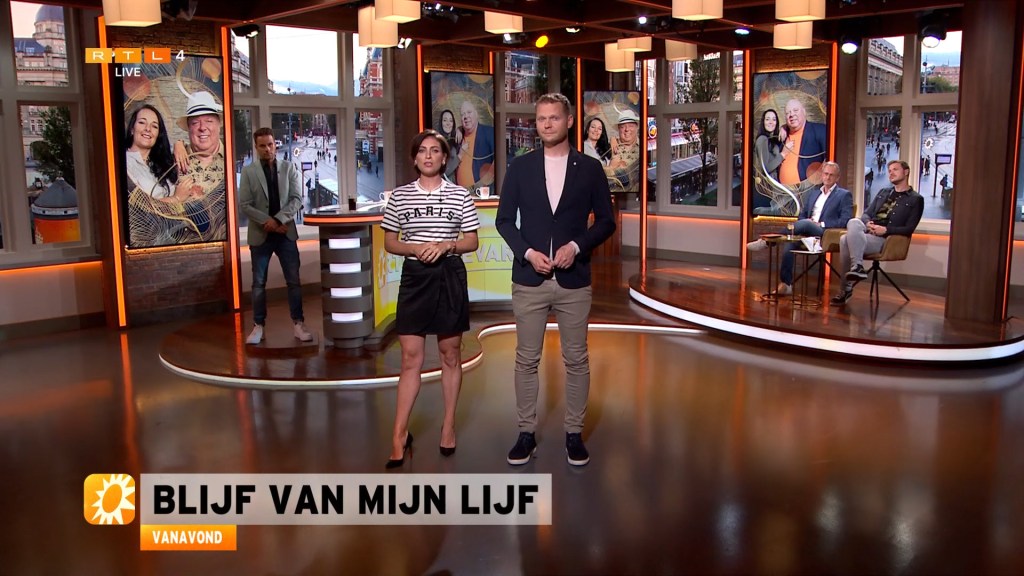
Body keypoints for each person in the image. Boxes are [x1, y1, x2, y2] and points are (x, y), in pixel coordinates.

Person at [495, 93, 616, 467]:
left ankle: (574, 434)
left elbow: (607, 222)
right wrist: (528, 253)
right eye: (541, 118)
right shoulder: (520, 167)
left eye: (554, 117)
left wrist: (577, 247)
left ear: (569, 120)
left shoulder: (590, 168)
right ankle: (526, 433)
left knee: (576, 359)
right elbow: (504, 221)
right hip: (529, 278)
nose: (546, 124)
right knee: (525, 359)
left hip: (573, 280)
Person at [380, 129, 480, 469]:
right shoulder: (400, 196)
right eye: (422, 150)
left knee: (450, 354)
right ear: (414, 158)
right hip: (415, 277)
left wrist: (447, 245)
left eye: (435, 150)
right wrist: (415, 248)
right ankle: (399, 435)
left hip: (449, 274)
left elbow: (472, 241)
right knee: (411, 357)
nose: (428, 156)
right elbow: (390, 242)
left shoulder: (460, 195)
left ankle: (448, 425)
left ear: (444, 158)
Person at [239, 127, 314, 345]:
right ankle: (258, 326)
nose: (267, 149)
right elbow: (245, 205)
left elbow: (297, 199)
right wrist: (270, 224)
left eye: (270, 144)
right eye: (262, 146)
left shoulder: (289, 168)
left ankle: (298, 324)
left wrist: (279, 220)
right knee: (258, 283)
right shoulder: (249, 172)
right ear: (256, 147)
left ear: (275, 144)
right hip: (261, 235)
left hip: (285, 233)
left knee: (294, 281)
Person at [748, 161, 852, 294]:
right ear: (822, 175)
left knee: (805, 224)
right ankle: (786, 285)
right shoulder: (814, 193)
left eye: (831, 175)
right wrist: (805, 221)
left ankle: (768, 241)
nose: (828, 177)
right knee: (789, 244)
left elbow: (845, 220)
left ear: (837, 177)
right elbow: (802, 215)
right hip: (806, 231)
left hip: (825, 233)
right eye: (826, 174)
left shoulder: (844, 195)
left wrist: (821, 224)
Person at [831, 160, 924, 305]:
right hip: (868, 233)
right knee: (854, 222)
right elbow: (866, 214)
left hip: (885, 240)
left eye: (895, 170)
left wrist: (886, 230)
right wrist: (868, 223)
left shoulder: (915, 199)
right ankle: (857, 267)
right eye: (889, 170)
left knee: (844, 240)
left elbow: (909, 228)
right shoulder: (883, 192)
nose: (891, 173)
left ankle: (846, 288)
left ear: (906, 172)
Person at [124, 104, 177, 199]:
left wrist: (180, 144)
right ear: (132, 129)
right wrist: (176, 198)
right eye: (142, 122)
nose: (148, 129)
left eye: (154, 126)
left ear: (158, 135)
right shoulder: (124, 162)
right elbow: (141, 202)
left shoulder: (160, 162)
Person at [779, 98, 827, 185]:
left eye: (795, 110)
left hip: (809, 190)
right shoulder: (782, 136)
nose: (791, 114)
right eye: (788, 113)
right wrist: (782, 127)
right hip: (782, 190)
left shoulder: (820, 131)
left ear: (804, 112)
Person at [455, 100, 495, 190]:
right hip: (459, 193)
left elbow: (499, 160)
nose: (466, 116)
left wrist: (482, 184)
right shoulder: (458, 137)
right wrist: (458, 129)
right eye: (463, 114)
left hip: (480, 193)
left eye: (469, 112)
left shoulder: (489, 132)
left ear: (476, 114)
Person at [607, 109, 641, 192]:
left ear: (637, 127)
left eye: (631, 126)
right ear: (618, 129)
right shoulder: (609, 147)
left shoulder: (644, 147)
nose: (627, 129)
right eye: (622, 127)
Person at [753, 109, 788, 181]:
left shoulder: (771, 139)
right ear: (763, 122)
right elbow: (765, 169)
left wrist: (783, 127)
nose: (771, 122)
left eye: (774, 119)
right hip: (768, 184)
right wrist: (782, 155)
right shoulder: (762, 139)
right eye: (767, 119)